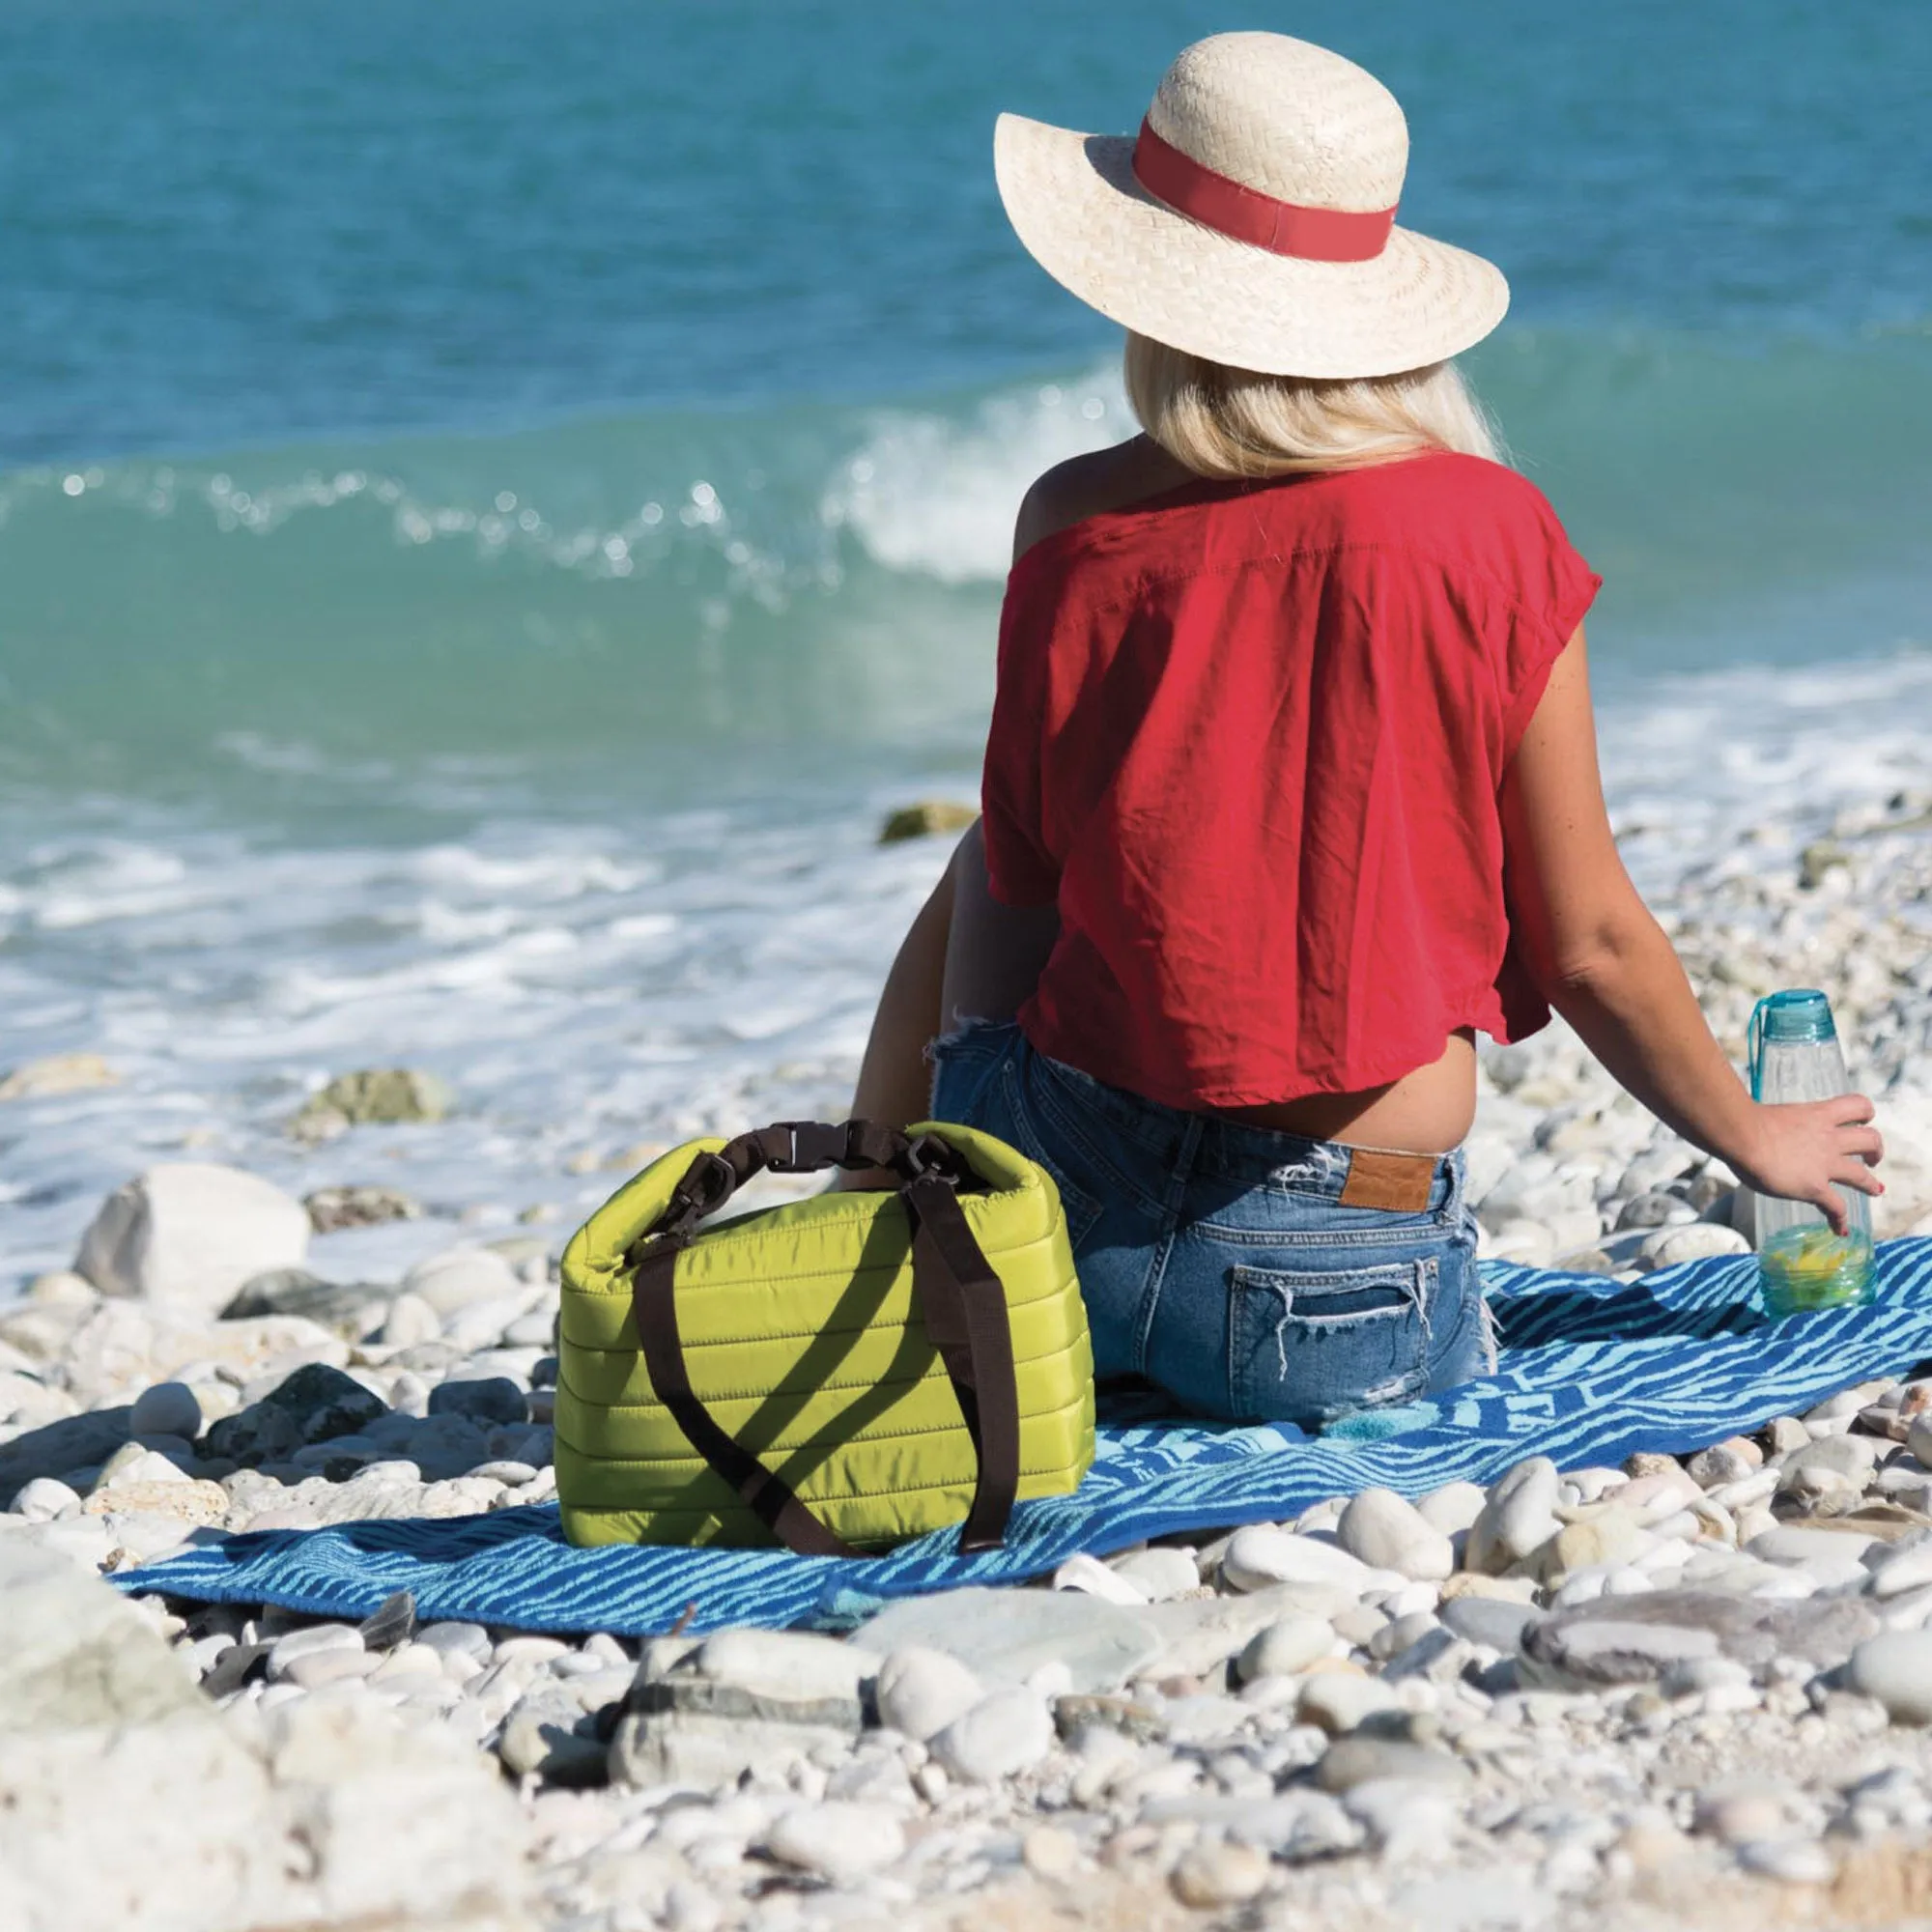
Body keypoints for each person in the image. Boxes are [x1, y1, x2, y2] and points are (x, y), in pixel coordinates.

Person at [848, 33, 1884, 1427]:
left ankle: (884, 1218)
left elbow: (1026, 894)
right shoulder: (1491, 531)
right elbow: (1587, 942)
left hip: (1049, 1250)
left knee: (984, 853)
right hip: (1339, 1291)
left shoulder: (1072, 519)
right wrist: (1752, 1138)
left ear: (1150, 290)